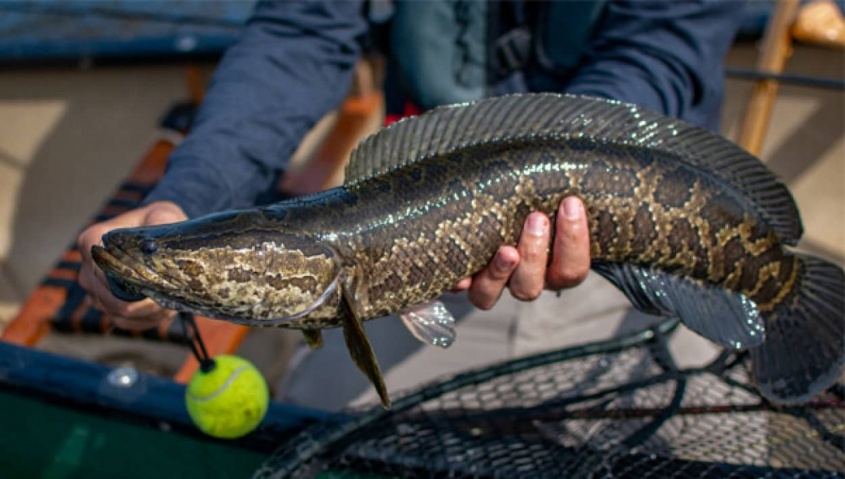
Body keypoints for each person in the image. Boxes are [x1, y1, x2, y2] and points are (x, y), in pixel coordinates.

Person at [78, 1, 744, 408]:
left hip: (644, 267)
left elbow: (659, 55)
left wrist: (545, 192)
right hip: (429, 273)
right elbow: (298, 36)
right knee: (310, 424)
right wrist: (186, 198)